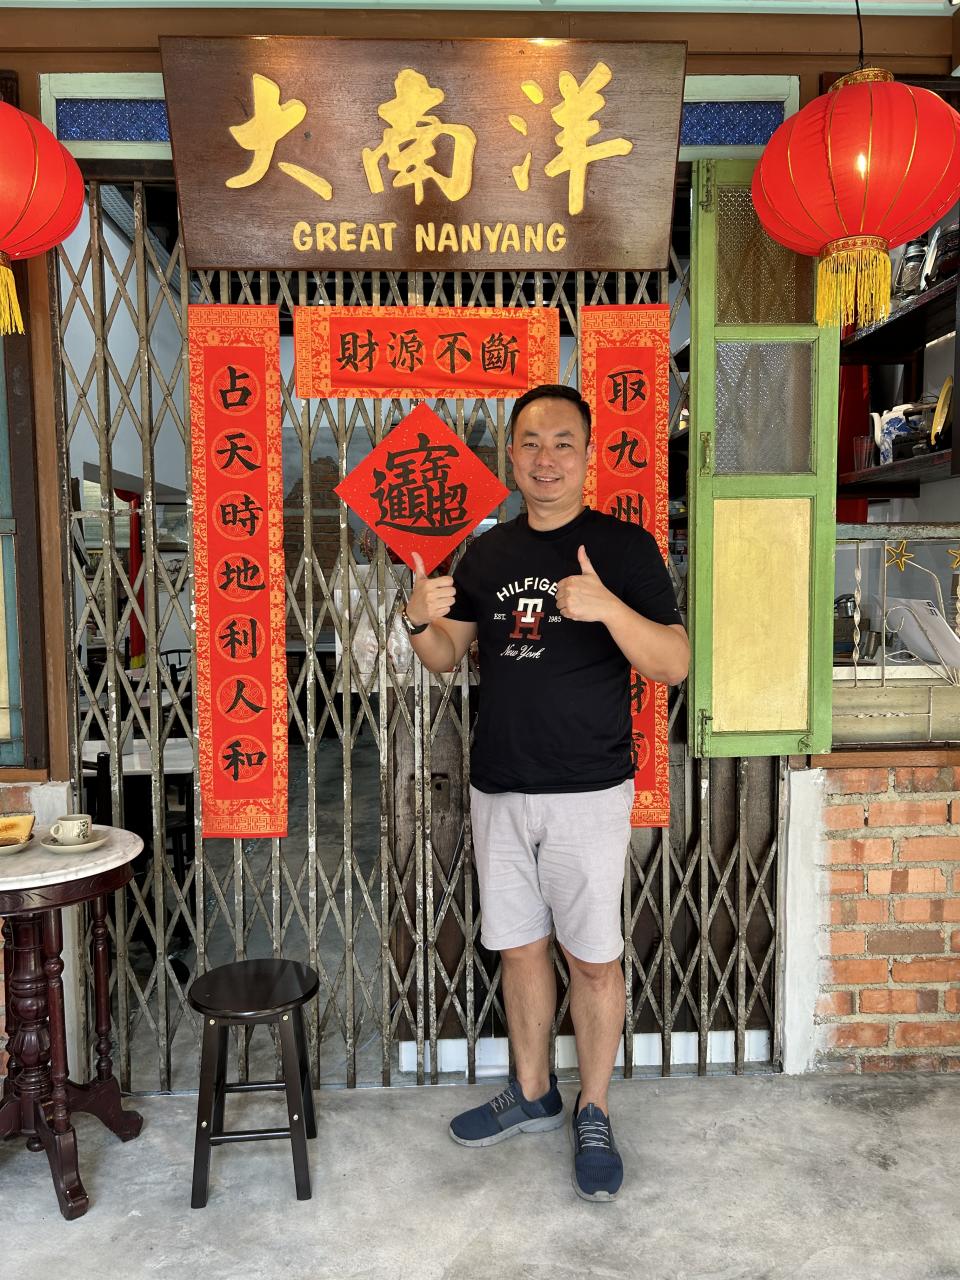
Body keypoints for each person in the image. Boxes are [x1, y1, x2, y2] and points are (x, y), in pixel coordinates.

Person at [401, 383, 689, 1202]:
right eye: (530, 442)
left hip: (588, 790)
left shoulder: (625, 549)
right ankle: (532, 1092)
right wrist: (416, 616)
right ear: (511, 456)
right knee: (520, 948)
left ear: (589, 454)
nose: (546, 457)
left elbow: (673, 663)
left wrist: (605, 608)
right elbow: (447, 655)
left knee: (592, 961)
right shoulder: (489, 553)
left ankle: (592, 1107)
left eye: (563, 442)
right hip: (499, 787)